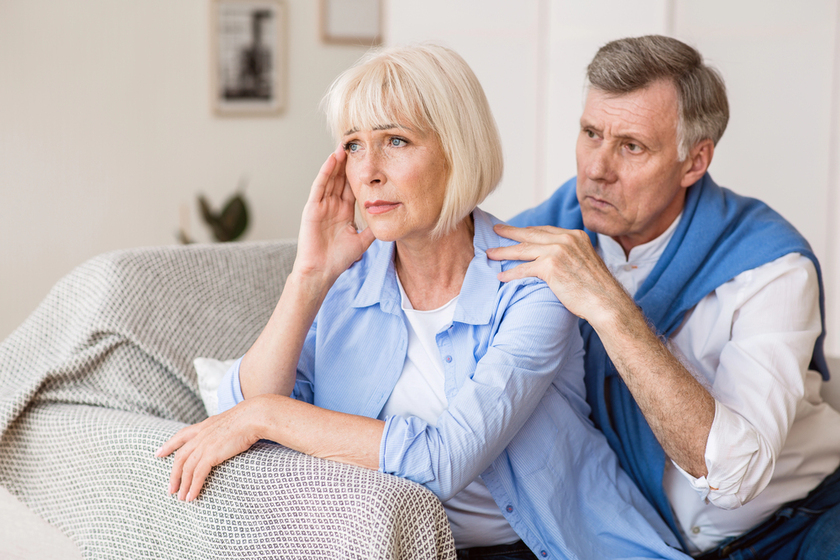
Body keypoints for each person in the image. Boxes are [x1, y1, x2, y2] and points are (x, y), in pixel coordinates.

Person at [156, 44, 689, 559]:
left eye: (396, 140)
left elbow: (443, 460)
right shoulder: (346, 283)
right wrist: (308, 277)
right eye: (354, 145)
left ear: (457, 151)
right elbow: (234, 422)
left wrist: (266, 415)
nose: (368, 171)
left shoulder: (532, 284)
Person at [488, 35, 840, 559]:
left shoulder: (769, 265)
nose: (597, 168)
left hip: (801, 521)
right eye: (591, 134)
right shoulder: (529, 242)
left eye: (631, 146)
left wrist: (609, 308)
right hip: (630, 540)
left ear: (694, 162)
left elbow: (735, 477)